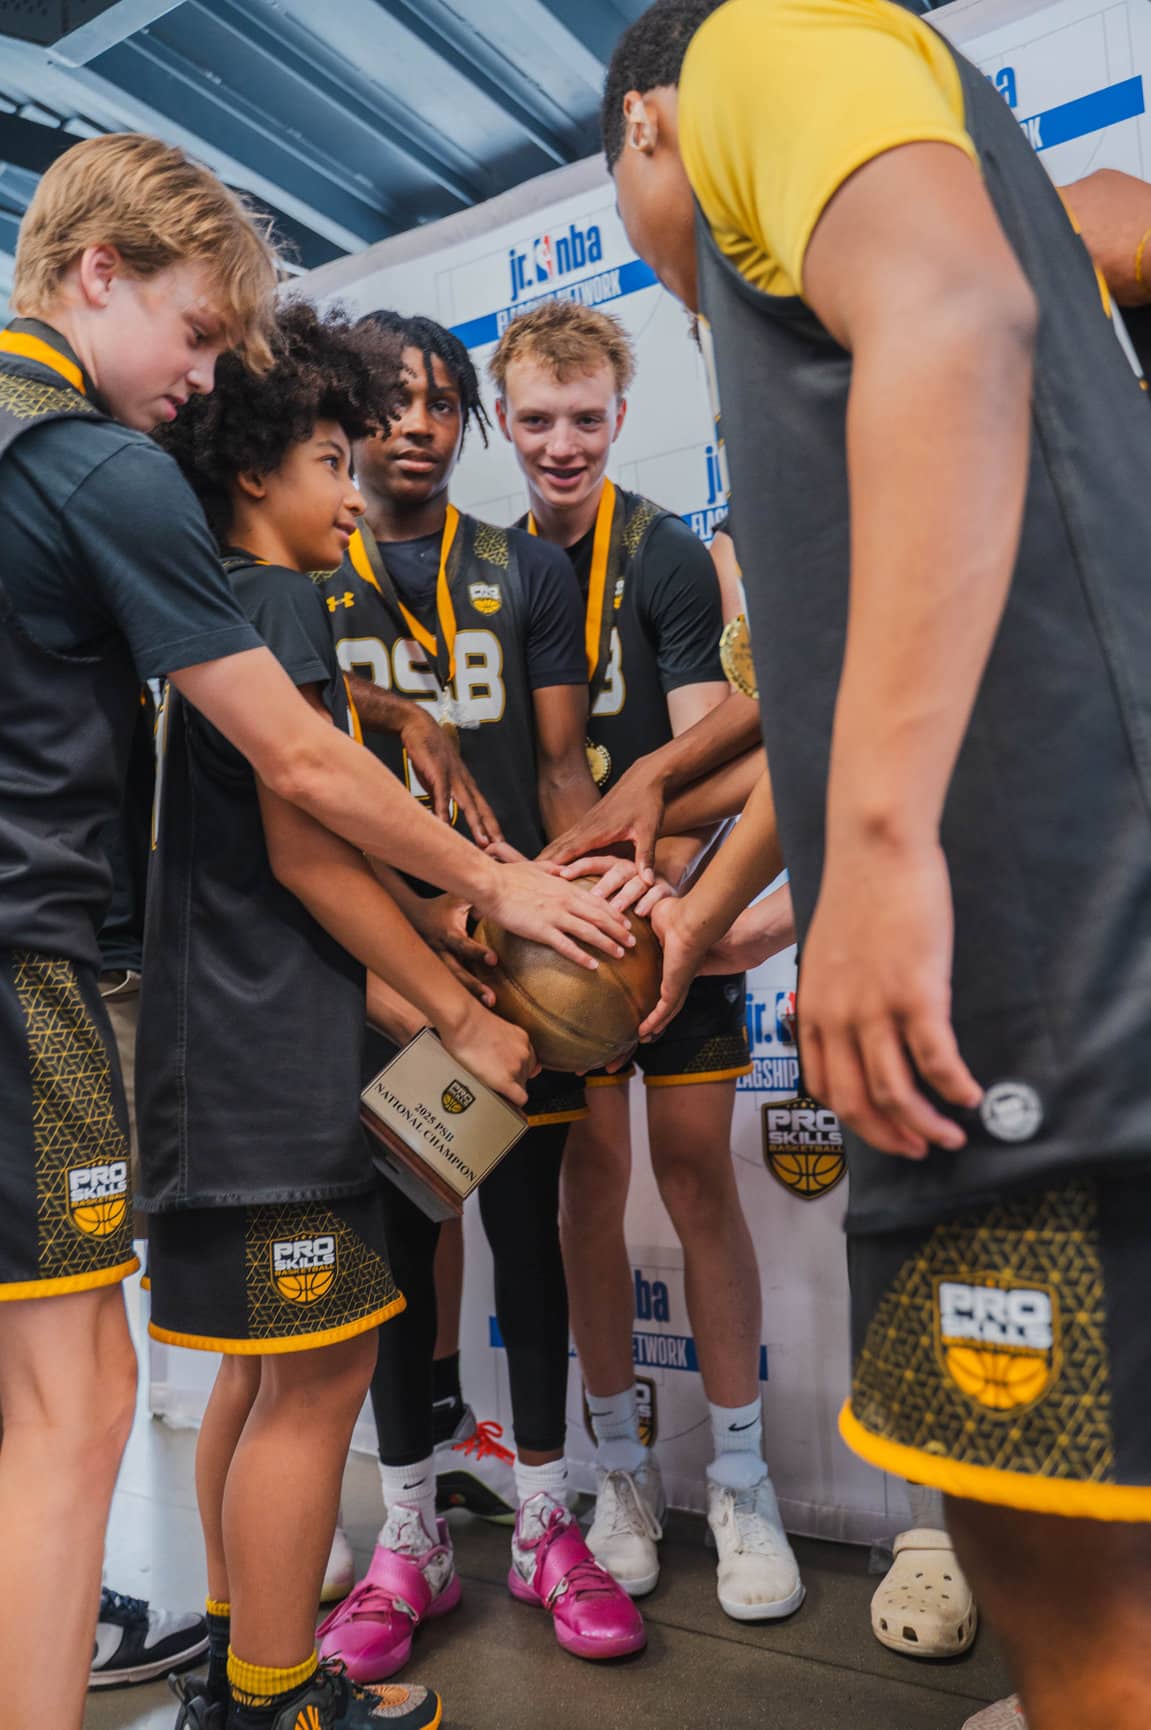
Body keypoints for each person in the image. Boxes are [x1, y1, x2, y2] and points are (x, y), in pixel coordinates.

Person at [0, 131, 628, 1730]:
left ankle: (244, 1665)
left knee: (170, 1388)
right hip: (94, 987)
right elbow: (290, 780)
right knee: (97, 1410)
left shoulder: (63, 472)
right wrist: (486, 916)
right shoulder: (93, 460)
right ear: (97, 273)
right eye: (196, 336)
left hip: (123, 1001)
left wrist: (376, 714)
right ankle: (261, 1687)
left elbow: (288, 722)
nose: (198, 383)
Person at [602, 3, 1151, 1727]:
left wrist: (891, 844)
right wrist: (708, 912)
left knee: (1084, 1623)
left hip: (1038, 981)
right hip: (1031, 969)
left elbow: (957, 304)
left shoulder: (758, 48)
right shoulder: (902, 302)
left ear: (643, 134)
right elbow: (832, 702)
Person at [314, 309, 645, 1673]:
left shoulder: (523, 569)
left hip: (517, 969)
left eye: (444, 400)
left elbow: (564, 771)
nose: (417, 420)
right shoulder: (304, 562)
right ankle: (409, 1538)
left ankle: (546, 1523)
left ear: (472, 426)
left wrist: (590, 915)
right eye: (394, 398)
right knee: (399, 1253)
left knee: (530, 1233)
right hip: (389, 962)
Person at [490, 300, 804, 1620]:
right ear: (503, 422)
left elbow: (716, 749)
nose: (563, 443)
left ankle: (741, 1474)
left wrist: (642, 872)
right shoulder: (485, 570)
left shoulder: (669, 554)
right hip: (554, 935)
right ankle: (615, 1466)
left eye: (587, 418)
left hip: (665, 910)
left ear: (622, 418)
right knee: (588, 1181)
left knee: (692, 1172)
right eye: (537, 419)